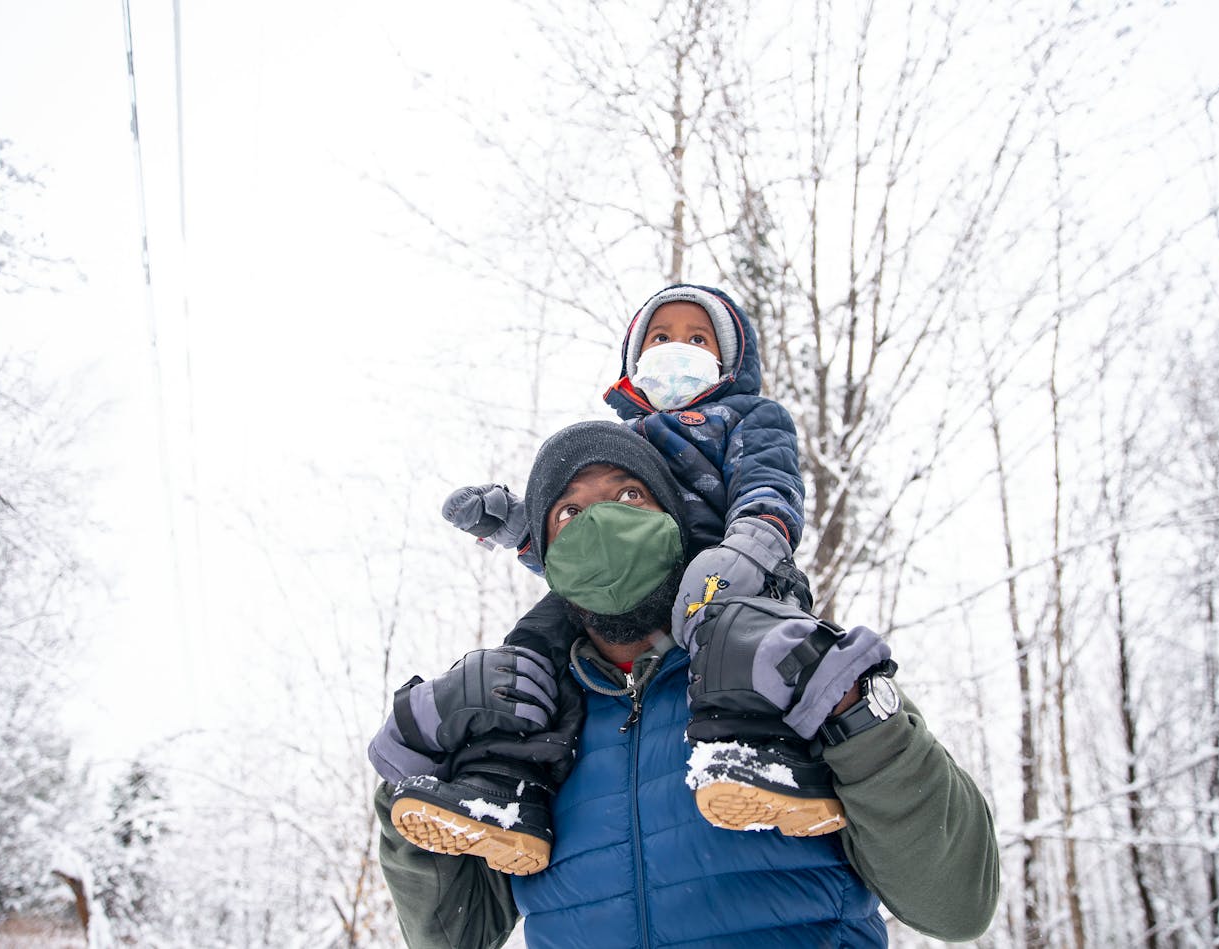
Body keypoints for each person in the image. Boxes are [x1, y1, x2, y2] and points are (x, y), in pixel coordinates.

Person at [368, 420, 1000, 948]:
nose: (602, 523)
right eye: (570, 511)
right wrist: (418, 760)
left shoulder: (783, 671)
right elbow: (453, 935)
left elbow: (955, 902)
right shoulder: (527, 733)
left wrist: (854, 708)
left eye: (630, 496)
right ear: (545, 556)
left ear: (674, 520)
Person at [433, 285, 828, 858]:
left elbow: (770, 483)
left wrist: (751, 545)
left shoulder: (749, 416)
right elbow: (595, 545)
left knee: (734, 638)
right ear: (634, 362)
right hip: (642, 587)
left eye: (698, 339)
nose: (677, 349)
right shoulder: (624, 440)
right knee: (537, 641)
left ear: (730, 360)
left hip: (733, 576)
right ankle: (505, 784)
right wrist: (520, 526)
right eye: (661, 338)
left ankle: (759, 758)